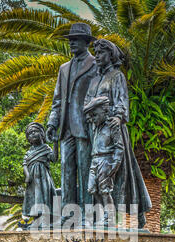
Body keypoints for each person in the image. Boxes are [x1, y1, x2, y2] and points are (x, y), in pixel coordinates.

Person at [85, 38, 152, 228]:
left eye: (101, 53)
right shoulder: (94, 80)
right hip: (96, 129)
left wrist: (118, 116)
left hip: (114, 128)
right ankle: (103, 216)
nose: (97, 56)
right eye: (96, 53)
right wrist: (94, 108)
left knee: (125, 176)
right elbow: (86, 105)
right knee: (99, 182)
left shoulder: (116, 76)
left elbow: (122, 101)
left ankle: (137, 214)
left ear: (111, 55)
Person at [46, 23, 97, 225]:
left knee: (85, 170)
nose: (72, 43)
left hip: (85, 128)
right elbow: (57, 98)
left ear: (86, 42)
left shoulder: (95, 65)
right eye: (70, 40)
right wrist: (52, 122)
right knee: (66, 171)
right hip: (65, 128)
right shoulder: (64, 68)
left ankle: (87, 214)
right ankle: (68, 214)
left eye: (75, 39)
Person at [83, 96, 124, 226]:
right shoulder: (96, 127)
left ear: (104, 111)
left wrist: (115, 163)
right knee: (91, 189)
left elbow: (119, 146)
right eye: (91, 116)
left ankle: (109, 218)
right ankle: (104, 214)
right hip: (95, 160)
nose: (92, 119)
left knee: (105, 191)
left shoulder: (112, 126)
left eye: (94, 115)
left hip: (106, 160)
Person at [22, 122, 57, 223]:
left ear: (42, 134)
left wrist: (55, 143)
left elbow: (54, 158)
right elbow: (24, 164)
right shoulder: (29, 152)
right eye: (29, 134)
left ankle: (45, 218)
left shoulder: (46, 148)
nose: (32, 134)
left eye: (34, 131)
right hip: (32, 180)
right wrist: (27, 175)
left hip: (43, 179)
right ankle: (36, 219)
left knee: (44, 197)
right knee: (34, 198)